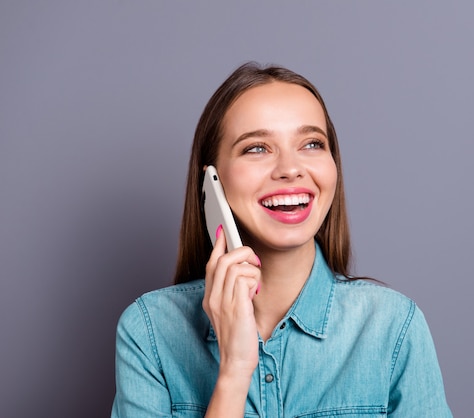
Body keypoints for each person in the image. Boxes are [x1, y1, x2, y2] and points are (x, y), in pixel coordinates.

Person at [111, 62, 452, 417]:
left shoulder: (392, 325)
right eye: (257, 148)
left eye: (311, 144)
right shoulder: (149, 330)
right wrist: (234, 372)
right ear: (212, 181)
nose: (290, 168)